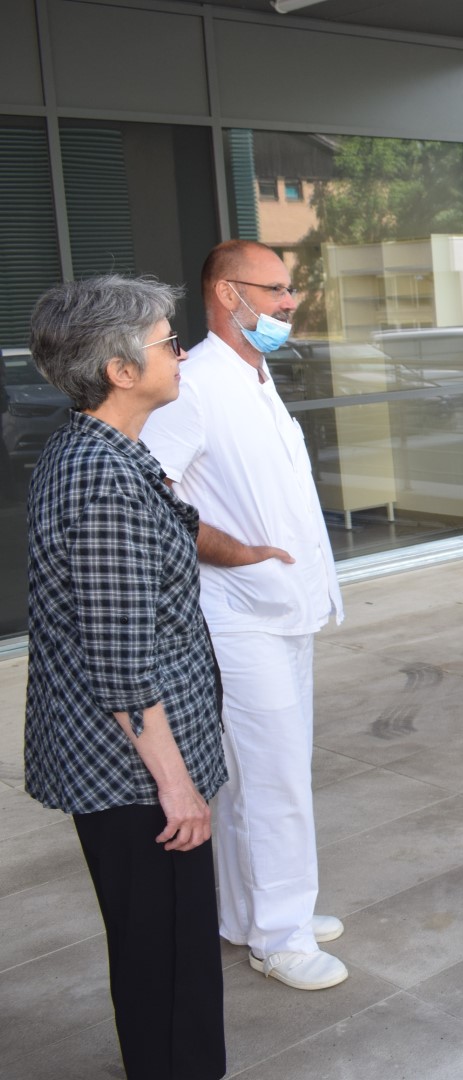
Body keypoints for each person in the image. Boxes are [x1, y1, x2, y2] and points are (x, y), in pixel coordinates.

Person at [24, 275, 228, 1079]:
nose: (181, 354)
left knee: (161, 947)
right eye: (167, 342)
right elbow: (120, 660)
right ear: (119, 370)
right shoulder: (102, 480)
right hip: (133, 775)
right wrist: (176, 787)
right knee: (167, 956)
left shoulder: (104, 450)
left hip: (133, 763)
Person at [140, 240, 348, 992]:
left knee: (262, 774)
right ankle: (280, 937)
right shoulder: (194, 385)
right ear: (228, 294)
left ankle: (249, 912)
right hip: (239, 617)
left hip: (284, 610)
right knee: (271, 780)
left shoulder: (256, 376)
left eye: (289, 289)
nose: (290, 302)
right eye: (275, 289)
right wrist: (235, 552)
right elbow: (151, 494)